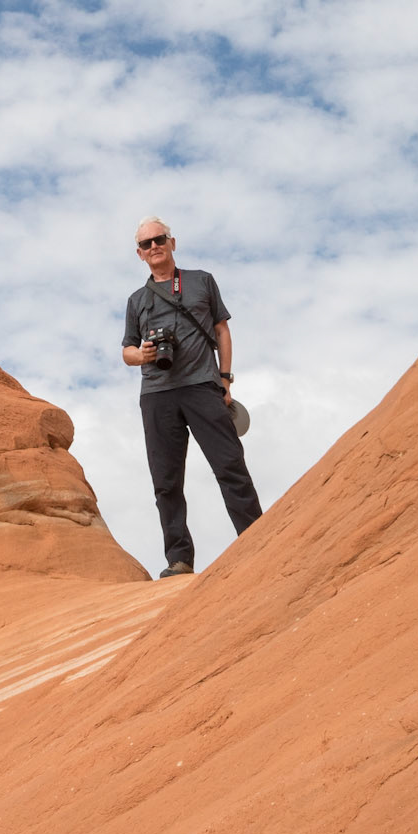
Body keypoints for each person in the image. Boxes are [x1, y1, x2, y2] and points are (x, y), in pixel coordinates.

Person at [122, 215, 262, 578]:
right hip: (157, 394)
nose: (153, 247)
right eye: (146, 244)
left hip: (202, 385)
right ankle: (179, 560)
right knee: (166, 482)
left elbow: (221, 330)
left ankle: (258, 538)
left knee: (230, 464)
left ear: (172, 242)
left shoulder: (202, 281)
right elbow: (127, 351)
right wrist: (143, 354)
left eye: (159, 239)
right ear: (139, 254)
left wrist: (226, 379)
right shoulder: (137, 300)